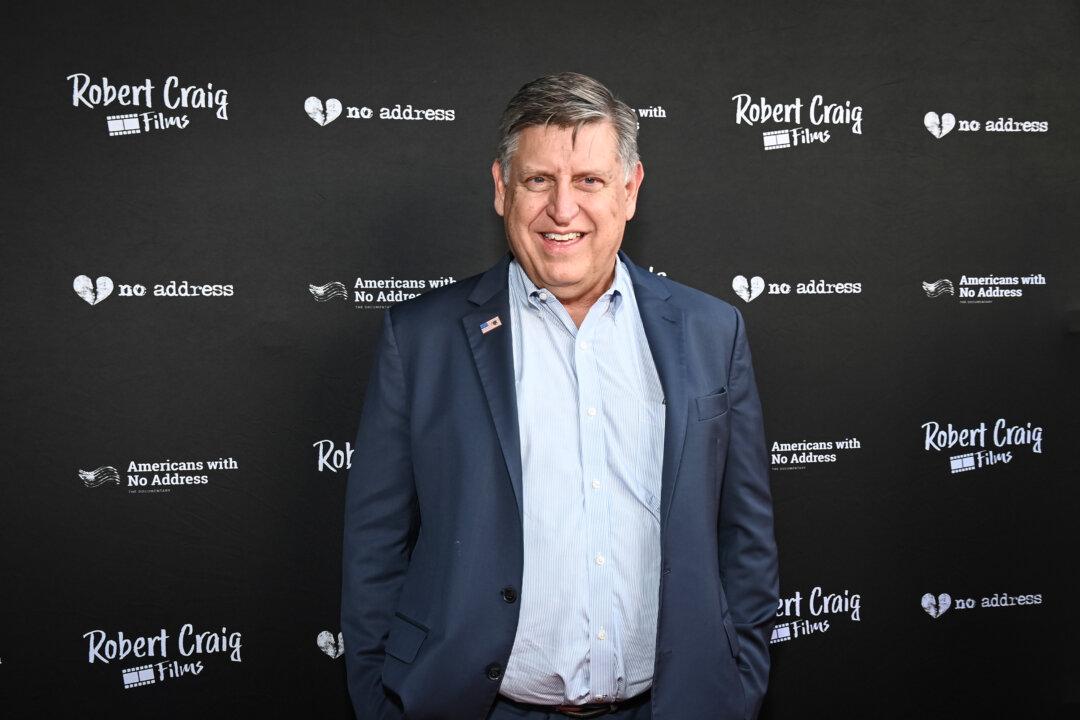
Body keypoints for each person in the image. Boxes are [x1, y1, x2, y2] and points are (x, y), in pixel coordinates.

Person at [342, 71, 778, 720]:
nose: (563, 210)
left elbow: (746, 537)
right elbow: (375, 547)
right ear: (501, 190)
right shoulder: (421, 341)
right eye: (539, 180)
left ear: (630, 191)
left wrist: (734, 685)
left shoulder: (712, 333)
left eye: (590, 182)